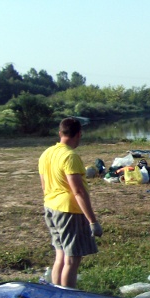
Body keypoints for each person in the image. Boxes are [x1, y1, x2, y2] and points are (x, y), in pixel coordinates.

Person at [38, 117, 101, 287]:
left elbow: (44, 186)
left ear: (60, 133)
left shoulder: (47, 153)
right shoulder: (70, 156)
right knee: (72, 260)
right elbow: (78, 191)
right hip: (68, 211)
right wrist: (92, 221)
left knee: (61, 256)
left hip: (50, 207)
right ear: (79, 134)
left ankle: (56, 296)